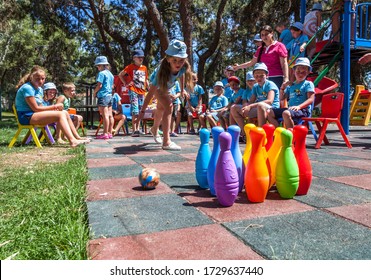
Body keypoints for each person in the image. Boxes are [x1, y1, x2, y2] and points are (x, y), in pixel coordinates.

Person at [138, 39, 193, 150]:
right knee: (168, 106)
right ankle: (166, 141)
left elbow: (181, 75)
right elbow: (149, 94)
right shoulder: (160, 73)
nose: (178, 64)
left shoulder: (183, 67)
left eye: (181, 60)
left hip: (167, 87)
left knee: (160, 108)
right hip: (158, 87)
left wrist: (182, 89)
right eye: (175, 60)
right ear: (168, 59)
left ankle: (154, 129)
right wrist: (142, 111)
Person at [14, 67, 87, 147]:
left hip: (34, 114)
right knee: (60, 115)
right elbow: (36, 108)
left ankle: (76, 137)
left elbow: (41, 106)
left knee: (64, 112)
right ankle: (72, 141)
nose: (40, 81)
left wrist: (55, 109)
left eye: (43, 79)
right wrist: (54, 106)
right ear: (31, 77)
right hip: (26, 116)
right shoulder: (27, 88)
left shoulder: (39, 89)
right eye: (37, 79)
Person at [233, 25, 289, 90]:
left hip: (277, 78)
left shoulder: (279, 46)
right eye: (262, 35)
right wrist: (238, 67)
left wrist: (286, 78)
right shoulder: (260, 49)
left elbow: (284, 63)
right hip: (264, 80)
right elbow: (251, 63)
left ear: (272, 33)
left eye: (266, 34)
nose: (264, 37)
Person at [266, 57, 315, 128]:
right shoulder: (291, 85)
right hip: (291, 109)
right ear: (294, 71)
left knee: (286, 113)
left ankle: (292, 135)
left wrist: (299, 106)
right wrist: (282, 88)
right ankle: (279, 132)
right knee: (269, 112)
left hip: (303, 110)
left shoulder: (308, 84)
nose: (300, 74)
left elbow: (311, 99)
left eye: (303, 72)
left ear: (308, 72)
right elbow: (282, 98)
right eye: (298, 71)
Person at [118, 49, 149, 137]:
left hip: (142, 91)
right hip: (133, 90)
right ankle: (134, 130)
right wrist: (125, 83)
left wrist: (149, 89)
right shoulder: (130, 67)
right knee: (135, 110)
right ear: (134, 58)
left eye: (142, 57)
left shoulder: (144, 68)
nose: (141, 59)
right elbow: (120, 75)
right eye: (139, 57)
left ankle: (138, 129)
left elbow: (146, 79)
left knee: (140, 110)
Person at [248, 63, 280, 127]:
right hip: (259, 108)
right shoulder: (255, 86)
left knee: (260, 105)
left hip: (272, 108)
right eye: (256, 76)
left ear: (266, 75)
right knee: (234, 108)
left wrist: (251, 106)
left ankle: (261, 132)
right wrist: (246, 106)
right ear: (253, 76)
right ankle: (244, 133)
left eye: (261, 76)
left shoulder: (270, 84)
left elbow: (269, 101)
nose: (259, 78)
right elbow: (251, 101)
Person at [230, 71, 256, 140]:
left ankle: (245, 134)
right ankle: (244, 132)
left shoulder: (257, 88)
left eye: (252, 80)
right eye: (248, 81)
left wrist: (247, 107)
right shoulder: (246, 91)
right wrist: (245, 108)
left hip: (255, 107)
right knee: (233, 108)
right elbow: (244, 101)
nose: (250, 82)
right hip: (248, 108)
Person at [93, 55, 114, 139]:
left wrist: (94, 92)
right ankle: (109, 132)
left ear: (102, 65)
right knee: (110, 115)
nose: (97, 67)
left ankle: (105, 133)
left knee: (105, 115)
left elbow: (99, 85)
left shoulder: (101, 73)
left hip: (103, 96)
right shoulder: (110, 74)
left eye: (98, 65)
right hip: (109, 95)